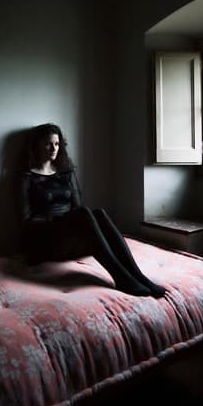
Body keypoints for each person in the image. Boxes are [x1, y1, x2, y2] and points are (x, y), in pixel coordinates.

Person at [16, 123, 166, 298]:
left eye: (57, 144)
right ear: (37, 145)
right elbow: (26, 222)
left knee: (97, 213)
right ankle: (121, 277)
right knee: (83, 213)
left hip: (69, 240)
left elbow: (78, 207)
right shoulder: (26, 178)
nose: (53, 149)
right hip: (45, 242)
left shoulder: (66, 173)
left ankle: (138, 276)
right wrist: (59, 224)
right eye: (48, 144)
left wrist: (73, 224)